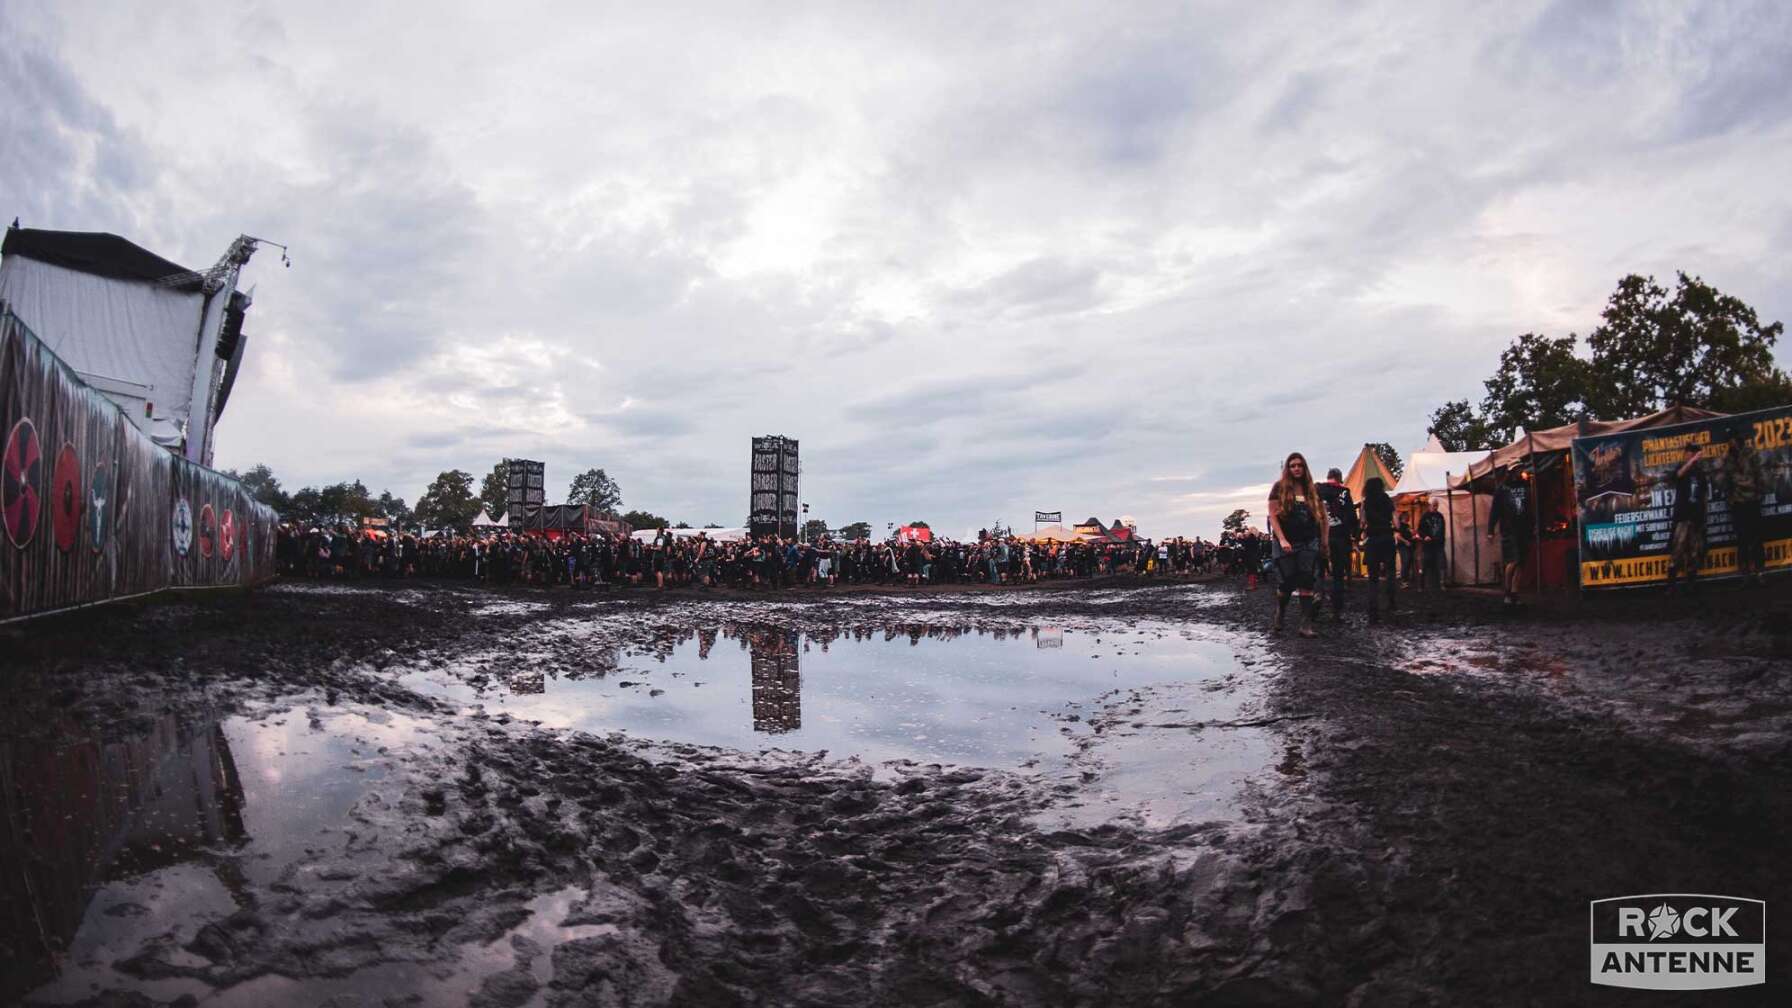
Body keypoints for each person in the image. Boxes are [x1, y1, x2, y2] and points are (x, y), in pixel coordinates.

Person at [1267, 452, 1327, 637]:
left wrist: (1324, 541)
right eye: (1293, 465)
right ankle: (1280, 613)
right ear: (1288, 468)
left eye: (1299, 465)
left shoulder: (1312, 490)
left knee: (1307, 582)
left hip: (1309, 541)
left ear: (1304, 467)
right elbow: (1273, 517)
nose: (1296, 468)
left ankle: (1305, 625)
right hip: (1286, 543)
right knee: (1287, 583)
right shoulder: (1279, 488)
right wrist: (1282, 539)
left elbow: (1323, 517)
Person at [1723, 425, 1768, 585]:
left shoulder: (1751, 453)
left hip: (1752, 501)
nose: (1730, 443)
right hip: (1738, 503)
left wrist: (1759, 492)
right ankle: (1745, 575)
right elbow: (1726, 481)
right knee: (1741, 539)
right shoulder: (1728, 458)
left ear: (1737, 439)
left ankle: (1760, 572)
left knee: (1757, 537)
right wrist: (1730, 498)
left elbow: (1760, 474)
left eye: (1731, 440)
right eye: (1728, 441)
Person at [1316, 467, 1359, 621]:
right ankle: (1336, 611)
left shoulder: (1317, 490)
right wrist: (1353, 533)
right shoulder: (1345, 492)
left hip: (1321, 537)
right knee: (1338, 575)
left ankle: (1317, 597)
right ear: (1340, 478)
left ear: (1328, 477)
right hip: (1340, 537)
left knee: (1319, 572)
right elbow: (1353, 518)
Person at [1667, 445, 1711, 595]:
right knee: (1677, 550)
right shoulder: (1682, 468)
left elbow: (1704, 495)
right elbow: (1677, 476)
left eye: (1693, 454)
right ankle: (1671, 585)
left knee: (1694, 552)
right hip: (1682, 517)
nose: (1691, 456)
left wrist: (1705, 516)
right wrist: (1690, 462)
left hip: (1696, 517)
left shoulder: (1700, 473)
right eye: (1689, 454)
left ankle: (1691, 584)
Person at [1486, 470, 1531, 606]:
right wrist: (1490, 529)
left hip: (1523, 529)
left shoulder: (1525, 486)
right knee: (1513, 560)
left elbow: (1529, 507)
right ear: (1511, 472)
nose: (1520, 472)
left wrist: (1532, 524)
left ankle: (1514, 592)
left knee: (1521, 562)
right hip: (1508, 529)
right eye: (1517, 469)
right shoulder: (1502, 489)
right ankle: (1507, 591)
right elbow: (1495, 510)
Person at [1359, 476, 1397, 622]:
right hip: (1387, 537)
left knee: (1373, 577)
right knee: (1390, 572)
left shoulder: (1365, 502)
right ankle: (1391, 602)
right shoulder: (1387, 499)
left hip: (1373, 540)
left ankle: (1373, 609)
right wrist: (1394, 528)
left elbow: (1362, 522)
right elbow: (1396, 520)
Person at [1418, 500, 1447, 591]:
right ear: (1429, 506)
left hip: (1438, 545)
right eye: (1434, 505)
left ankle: (1442, 584)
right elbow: (1420, 530)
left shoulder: (1440, 516)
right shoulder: (1425, 516)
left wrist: (1442, 541)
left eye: (1436, 505)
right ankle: (1421, 585)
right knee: (1424, 565)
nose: (1435, 507)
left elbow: (1442, 530)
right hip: (1428, 545)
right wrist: (1425, 536)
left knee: (1442, 563)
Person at [1394, 516, 1418, 588]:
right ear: (1403, 518)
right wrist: (1405, 541)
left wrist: (1414, 535)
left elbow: (1411, 533)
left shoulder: (1407, 526)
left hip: (1410, 546)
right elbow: (1397, 536)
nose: (1408, 518)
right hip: (1403, 546)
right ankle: (1403, 581)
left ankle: (1407, 580)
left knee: (1409, 562)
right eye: (1407, 516)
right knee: (1406, 562)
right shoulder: (1400, 525)